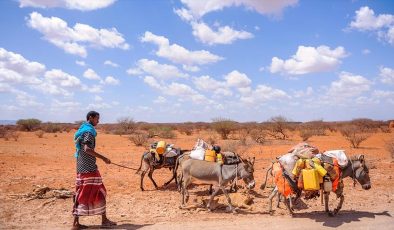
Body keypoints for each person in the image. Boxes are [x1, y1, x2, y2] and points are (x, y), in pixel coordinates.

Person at [72, 111, 116, 229]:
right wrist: (103, 158)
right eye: (97, 118)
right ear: (90, 118)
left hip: (81, 168)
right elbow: (87, 149)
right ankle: (104, 220)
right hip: (90, 169)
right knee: (101, 192)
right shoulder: (89, 132)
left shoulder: (82, 130)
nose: (98, 121)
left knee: (80, 194)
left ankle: (76, 223)